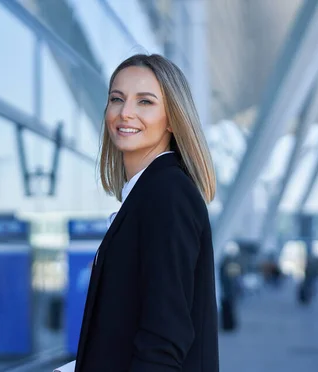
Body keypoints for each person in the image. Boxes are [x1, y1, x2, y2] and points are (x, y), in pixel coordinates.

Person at [73, 54, 219, 371]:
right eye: (117, 99)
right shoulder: (148, 194)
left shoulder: (168, 195)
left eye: (145, 102)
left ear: (172, 118)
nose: (125, 113)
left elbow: (163, 341)